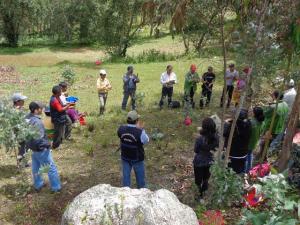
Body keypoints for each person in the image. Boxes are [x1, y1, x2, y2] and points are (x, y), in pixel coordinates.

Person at [26, 101, 61, 192]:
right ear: (36, 110)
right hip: (41, 149)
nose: (42, 110)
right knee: (51, 168)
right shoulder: (37, 122)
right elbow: (39, 138)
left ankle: (38, 185)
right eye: (40, 108)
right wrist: (48, 144)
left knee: (36, 167)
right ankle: (56, 187)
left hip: (32, 148)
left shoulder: (27, 117)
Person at [117, 111, 150, 188]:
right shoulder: (140, 132)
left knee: (126, 177)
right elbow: (146, 140)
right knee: (140, 178)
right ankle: (142, 191)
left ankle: (125, 191)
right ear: (137, 121)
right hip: (137, 158)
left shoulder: (121, 129)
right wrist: (141, 129)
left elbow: (119, 135)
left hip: (125, 157)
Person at [193, 118, 219, 198]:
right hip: (210, 161)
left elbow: (196, 150)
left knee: (198, 180)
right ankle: (204, 192)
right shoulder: (217, 138)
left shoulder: (200, 139)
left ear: (204, 127)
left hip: (199, 162)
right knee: (206, 178)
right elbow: (216, 149)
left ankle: (199, 194)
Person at [224, 109, 251, 174]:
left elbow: (224, 133)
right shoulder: (248, 125)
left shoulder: (233, 127)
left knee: (230, 171)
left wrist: (226, 124)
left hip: (233, 154)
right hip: (243, 153)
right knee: (238, 170)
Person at [262, 90, 289, 155]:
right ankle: (266, 157)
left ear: (274, 96)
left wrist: (267, 107)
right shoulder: (285, 104)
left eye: (272, 94)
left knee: (264, 144)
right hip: (280, 128)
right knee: (271, 143)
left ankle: (263, 158)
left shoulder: (273, 107)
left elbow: (265, 114)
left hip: (271, 129)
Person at [245, 107, 265, 173]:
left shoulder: (251, 122)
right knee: (250, 154)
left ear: (254, 114)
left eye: (252, 111)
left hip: (248, 142)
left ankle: (245, 169)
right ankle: (249, 168)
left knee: (246, 155)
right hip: (255, 141)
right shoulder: (262, 123)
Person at [12, 93, 28, 164]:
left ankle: (23, 161)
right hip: (19, 131)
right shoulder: (15, 111)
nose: (24, 101)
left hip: (23, 130)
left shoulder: (20, 108)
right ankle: (22, 161)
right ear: (17, 101)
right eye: (22, 100)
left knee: (25, 146)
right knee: (22, 146)